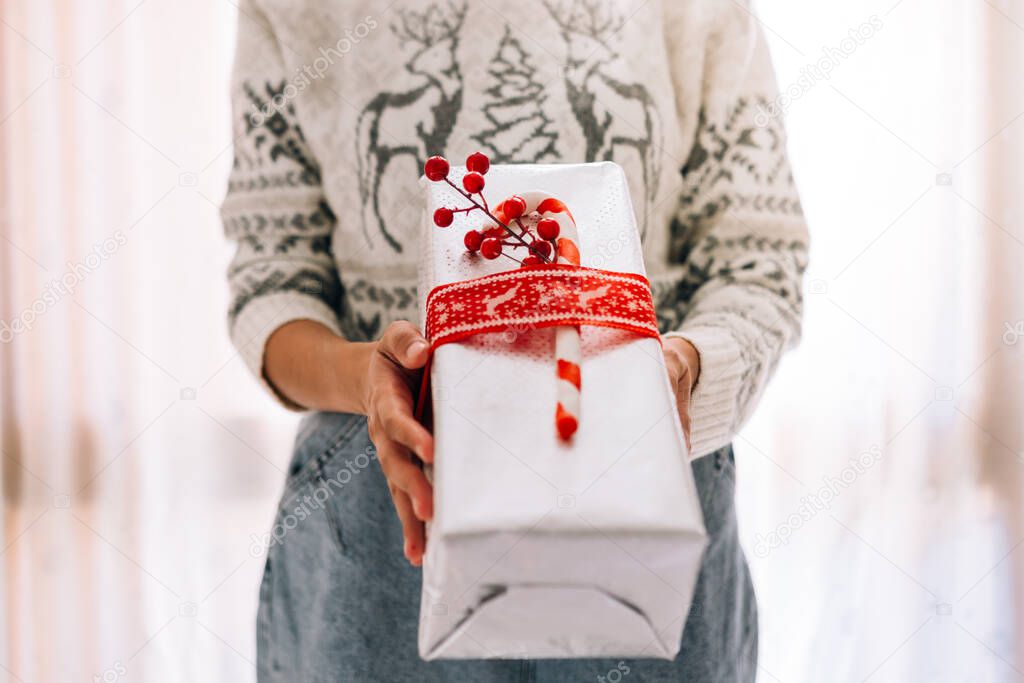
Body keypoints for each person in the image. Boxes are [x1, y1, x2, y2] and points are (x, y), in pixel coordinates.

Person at [221, 1, 808, 680]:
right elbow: (273, 279)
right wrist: (365, 377)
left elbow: (756, 257)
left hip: (644, 491)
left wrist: (681, 371)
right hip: (383, 526)